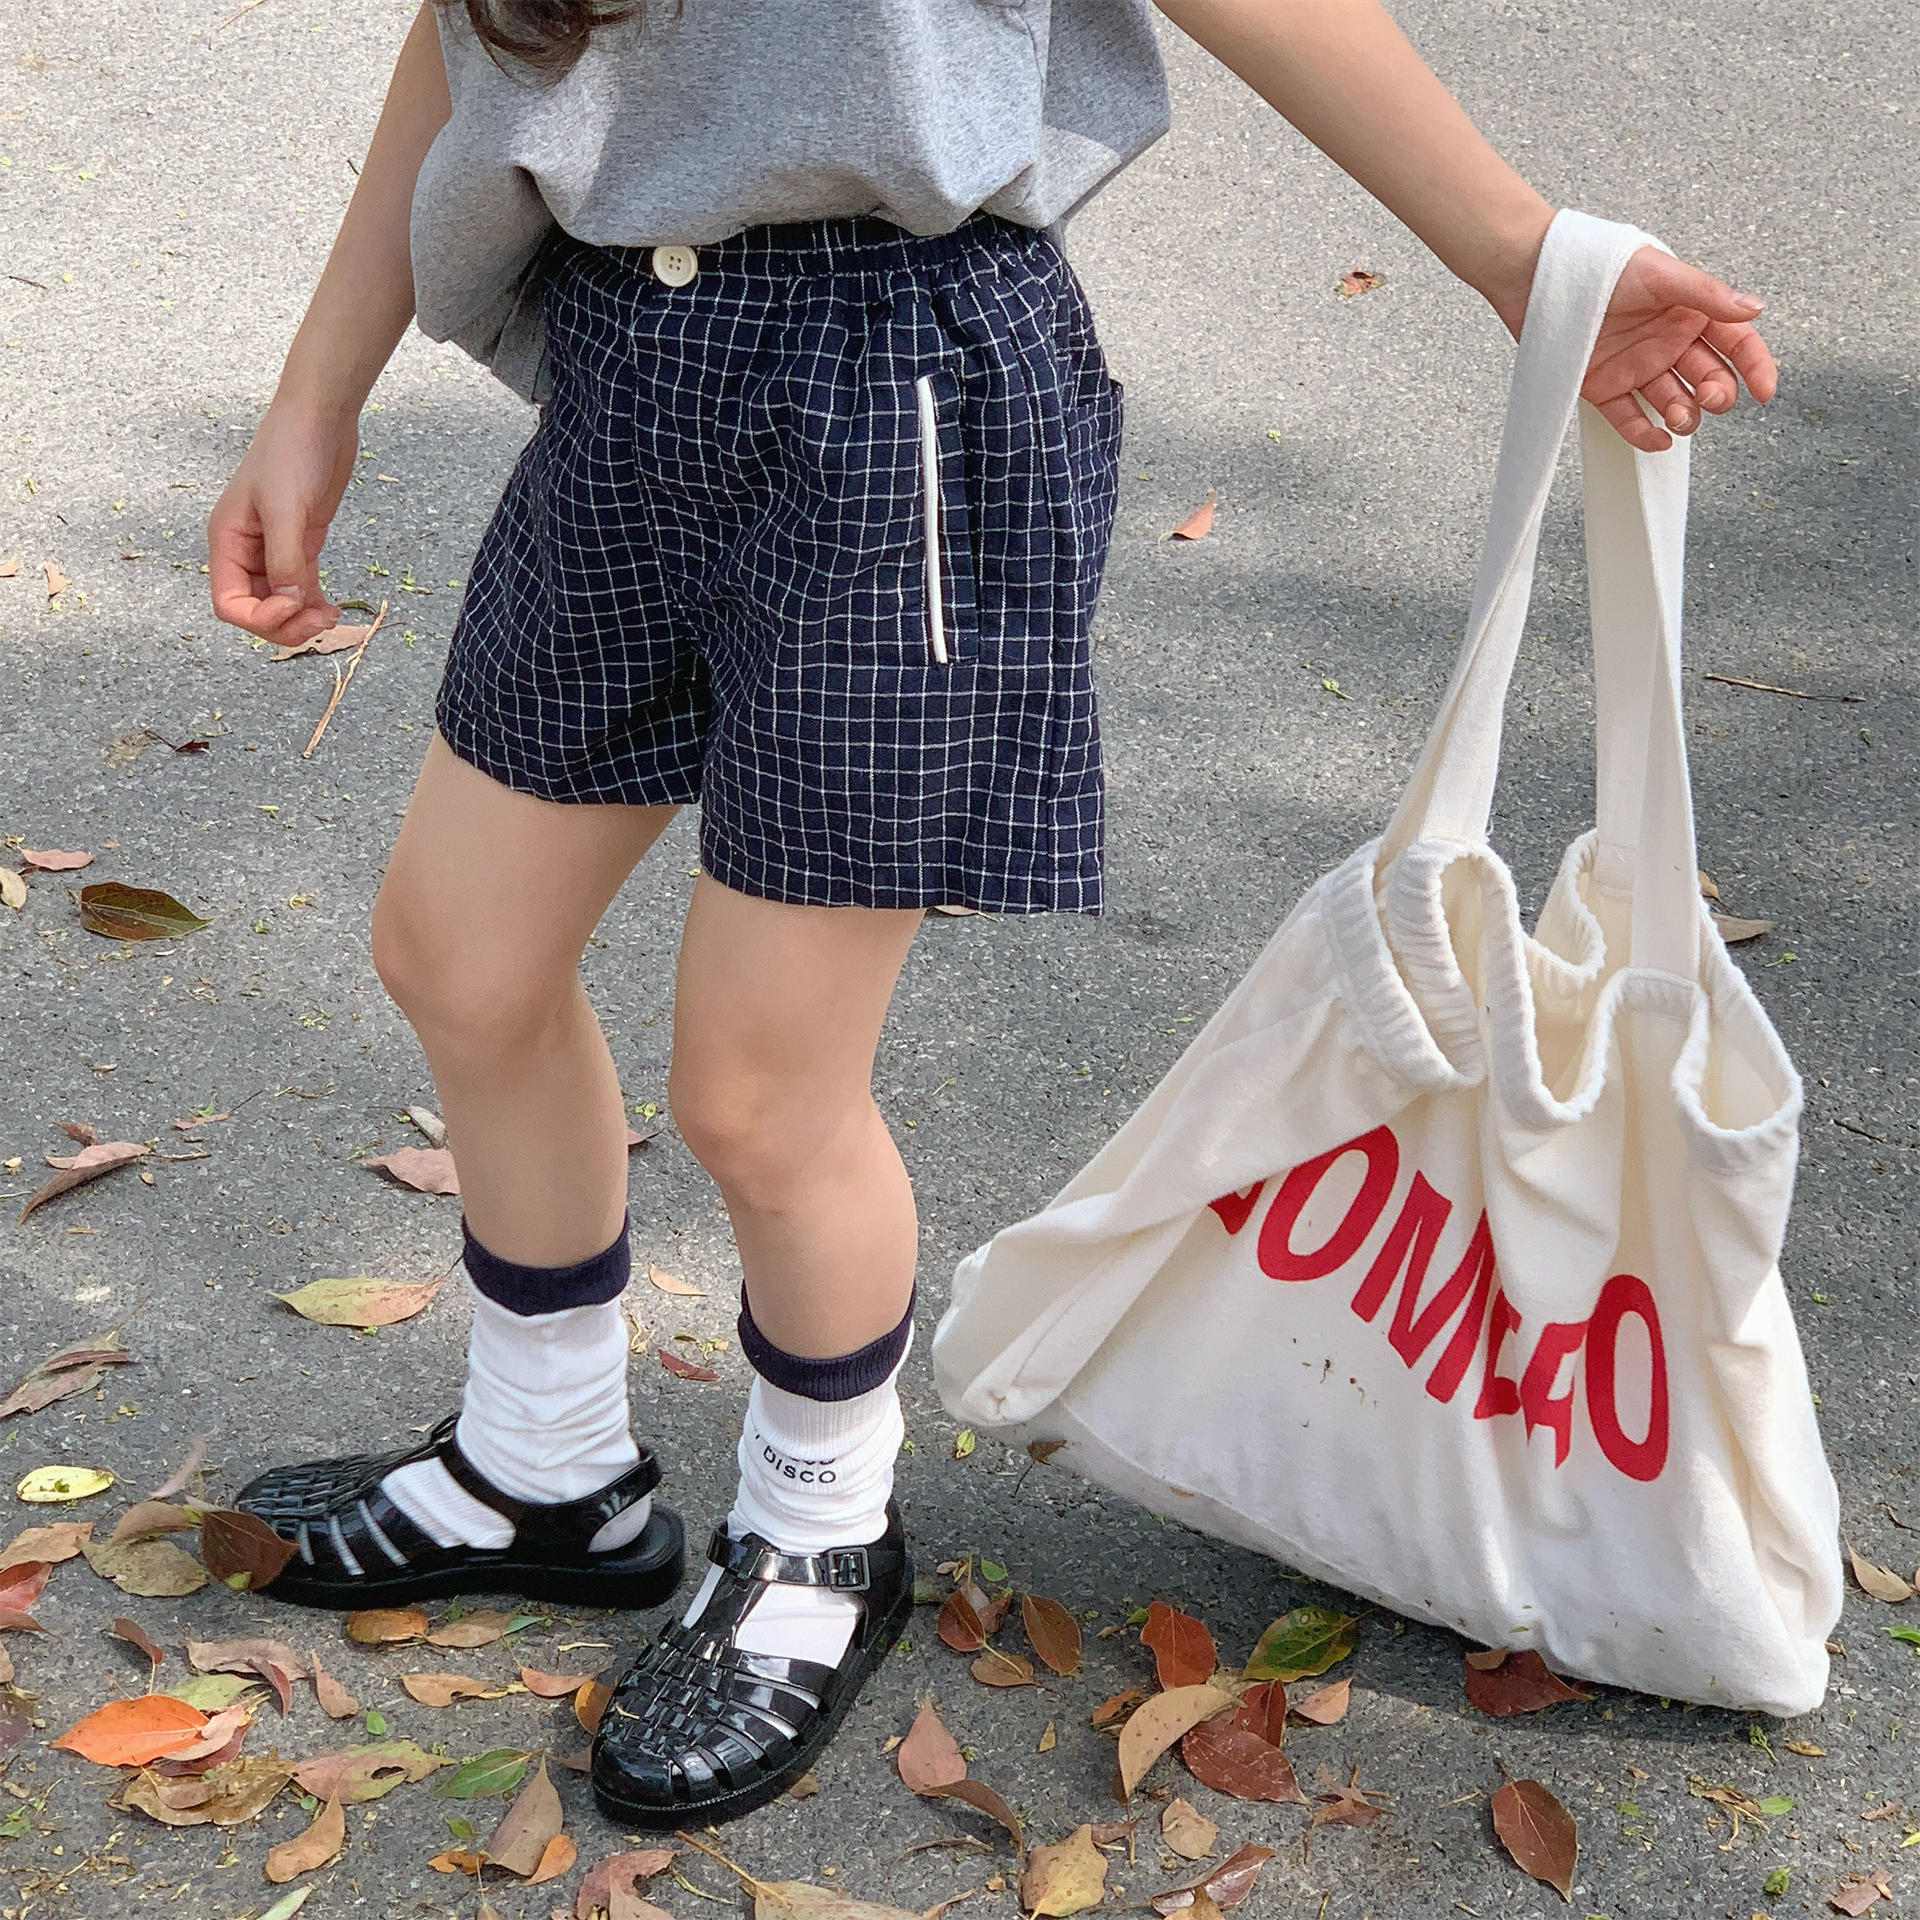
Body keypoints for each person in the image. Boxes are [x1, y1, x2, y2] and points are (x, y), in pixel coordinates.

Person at [206, 0, 1774, 1832]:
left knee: (760, 1095)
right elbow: (472, 30)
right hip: (631, 350)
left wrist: (1525, 254)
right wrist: (316, 394)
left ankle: (819, 1533)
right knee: (458, 959)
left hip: (902, 387)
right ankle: (547, 1469)